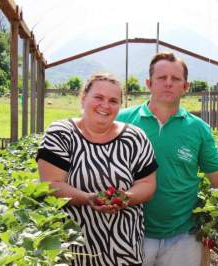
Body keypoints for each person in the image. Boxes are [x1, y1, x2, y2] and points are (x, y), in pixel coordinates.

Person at [116, 52, 218, 266]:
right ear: (149, 83)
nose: (168, 84)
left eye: (176, 79)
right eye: (162, 78)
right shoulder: (123, 121)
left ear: (186, 87)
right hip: (130, 232)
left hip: (182, 237)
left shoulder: (198, 128)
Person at [36, 73, 158, 266]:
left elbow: (147, 184)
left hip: (125, 251)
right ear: (84, 97)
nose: (105, 105)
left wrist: (125, 197)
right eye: (98, 98)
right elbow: (51, 184)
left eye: (113, 101)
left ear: (120, 105)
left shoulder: (134, 138)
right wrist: (87, 198)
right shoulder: (61, 134)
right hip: (73, 252)